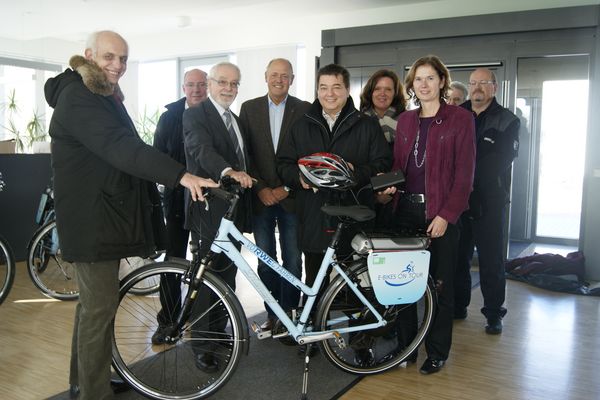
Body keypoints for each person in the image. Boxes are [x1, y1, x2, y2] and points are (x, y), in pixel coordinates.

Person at [44, 30, 217, 400]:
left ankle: (85, 382)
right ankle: (94, 393)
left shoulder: (100, 94)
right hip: (91, 222)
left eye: (123, 58)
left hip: (100, 216)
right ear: (89, 55)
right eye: (109, 57)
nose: (118, 65)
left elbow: (128, 148)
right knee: (98, 311)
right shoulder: (79, 97)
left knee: (94, 309)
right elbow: (122, 148)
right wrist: (181, 176)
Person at [387, 55, 475, 375]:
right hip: (405, 212)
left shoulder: (460, 119)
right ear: (412, 85)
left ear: (441, 81)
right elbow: (399, 167)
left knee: (440, 287)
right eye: (418, 79)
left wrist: (446, 215)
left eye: (430, 78)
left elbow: (464, 175)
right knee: (405, 285)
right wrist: (386, 190)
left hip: (440, 214)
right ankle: (406, 347)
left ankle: (436, 352)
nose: (423, 85)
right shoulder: (406, 121)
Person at [277, 63, 391, 310]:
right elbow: (283, 164)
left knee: (358, 282)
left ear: (348, 89)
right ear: (317, 90)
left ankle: (361, 344)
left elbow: (383, 163)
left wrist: (355, 172)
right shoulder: (301, 124)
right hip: (314, 215)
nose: (330, 94)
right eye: (323, 87)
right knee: (314, 280)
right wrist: (301, 178)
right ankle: (315, 339)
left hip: (354, 213)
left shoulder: (366, 124)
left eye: (336, 87)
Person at [183, 61, 253, 372]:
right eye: (223, 82)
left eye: (235, 83)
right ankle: (201, 344)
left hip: (231, 212)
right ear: (210, 84)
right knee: (203, 276)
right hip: (208, 208)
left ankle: (219, 332)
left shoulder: (235, 120)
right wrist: (228, 172)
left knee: (226, 275)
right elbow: (201, 151)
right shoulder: (195, 114)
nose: (229, 88)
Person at [239, 58, 310, 330]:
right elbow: (246, 154)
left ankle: (291, 314)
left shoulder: (304, 110)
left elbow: (307, 154)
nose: (279, 79)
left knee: (293, 259)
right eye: (274, 75)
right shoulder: (249, 108)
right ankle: (272, 314)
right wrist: (260, 188)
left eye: (285, 75)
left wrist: (286, 188)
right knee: (266, 260)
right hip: (261, 198)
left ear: (292, 79)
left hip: (292, 197)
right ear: (265, 77)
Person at [454, 68, 520, 335]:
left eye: (484, 82)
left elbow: (500, 160)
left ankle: (493, 313)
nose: (478, 87)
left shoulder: (508, 120)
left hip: (490, 200)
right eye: (473, 83)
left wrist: (467, 181)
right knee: (458, 257)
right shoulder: (457, 116)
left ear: (495, 87)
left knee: (491, 260)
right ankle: (458, 306)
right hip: (458, 200)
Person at [151, 68, 208, 345]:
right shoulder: (169, 117)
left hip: (205, 203)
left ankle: (200, 323)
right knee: (173, 260)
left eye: (201, 85)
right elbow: (158, 158)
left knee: (203, 264)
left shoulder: (215, 116)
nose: (196, 89)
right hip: (175, 200)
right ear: (183, 88)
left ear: (207, 87)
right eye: (191, 85)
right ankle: (168, 320)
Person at [359, 69, 407, 227]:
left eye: (388, 89)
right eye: (378, 88)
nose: (382, 93)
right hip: (363, 197)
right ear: (370, 92)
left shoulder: (408, 122)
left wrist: (388, 190)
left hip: (398, 198)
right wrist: (375, 194)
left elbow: (409, 162)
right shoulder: (357, 121)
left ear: (396, 93)